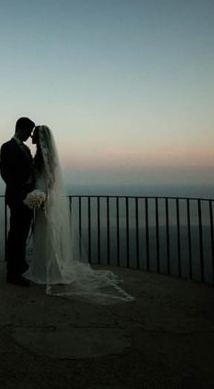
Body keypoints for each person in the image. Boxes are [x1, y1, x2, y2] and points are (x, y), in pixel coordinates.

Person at [23, 125, 134, 305]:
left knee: (47, 232)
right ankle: (41, 267)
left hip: (45, 200)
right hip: (40, 198)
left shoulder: (46, 158)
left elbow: (50, 181)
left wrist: (44, 197)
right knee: (42, 233)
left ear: (41, 138)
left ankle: (49, 270)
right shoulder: (39, 156)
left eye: (35, 135)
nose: (32, 137)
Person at [0, 117, 36, 286]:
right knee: (15, 235)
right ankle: (12, 272)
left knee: (23, 233)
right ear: (20, 128)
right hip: (17, 198)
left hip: (28, 198)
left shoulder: (27, 149)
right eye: (29, 131)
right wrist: (21, 191)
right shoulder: (7, 147)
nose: (30, 135)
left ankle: (20, 266)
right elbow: (5, 173)